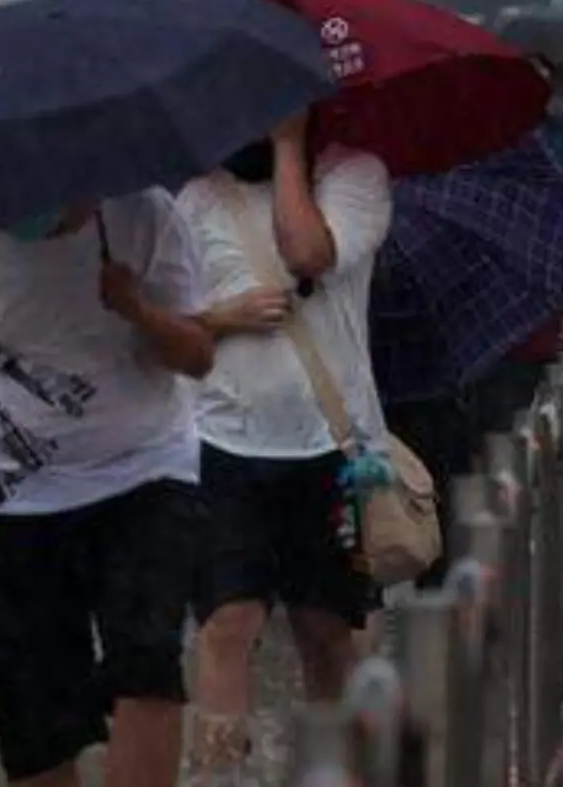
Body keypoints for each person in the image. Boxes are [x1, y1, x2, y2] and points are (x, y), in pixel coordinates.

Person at [0, 192, 213, 787]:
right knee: (31, 722)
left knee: (147, 663)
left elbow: (196, 356)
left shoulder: (146, 216)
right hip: (11, 503)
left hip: (141, 474)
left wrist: (137, 308)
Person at [173, 114, 392, 783]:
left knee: (328, 630)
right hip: (221, 445)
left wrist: (288, 145)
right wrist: (220, 317)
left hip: (333, 447)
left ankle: (336, 771)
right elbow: (155, 327)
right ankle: (218, 773)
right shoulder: (195, 196)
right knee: (226, 624)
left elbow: (307, 255)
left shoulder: (356, 175)